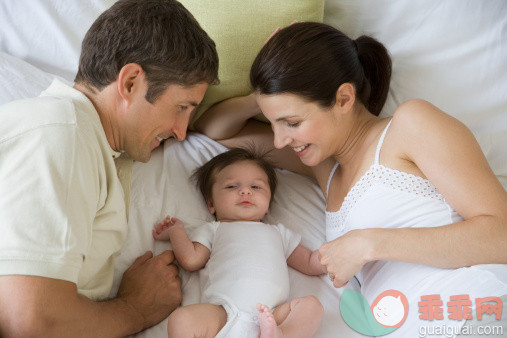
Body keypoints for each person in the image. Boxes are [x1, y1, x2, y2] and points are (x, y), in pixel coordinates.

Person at [195, 22, 507, 335]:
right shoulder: (325, 169)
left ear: (344, 98)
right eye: (275, 124)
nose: (279, 141)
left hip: (477, 307)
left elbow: (502, 234)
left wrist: (368, 244)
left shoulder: (409, 125)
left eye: (291, 122)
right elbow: (215, 130)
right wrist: (265, 95)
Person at [0, 0, 219, 336]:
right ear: (130, 82)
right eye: (182, 107)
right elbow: (29, 321)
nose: (181, 131)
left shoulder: (90, 142)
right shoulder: (64, 133)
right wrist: (134, 309)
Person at [152, 148, 324, 338]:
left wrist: (328, 258)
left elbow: (309, 262)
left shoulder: (279, 233)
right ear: (211, 204)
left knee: (311, 306)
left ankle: (282, 334)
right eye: (232, 186)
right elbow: (191, 260)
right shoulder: (214, 229)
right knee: (181, 320)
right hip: (224, 314)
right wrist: (177, 232)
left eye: (256, 187)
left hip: (274, 315)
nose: (245, 191)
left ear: (268, 204)